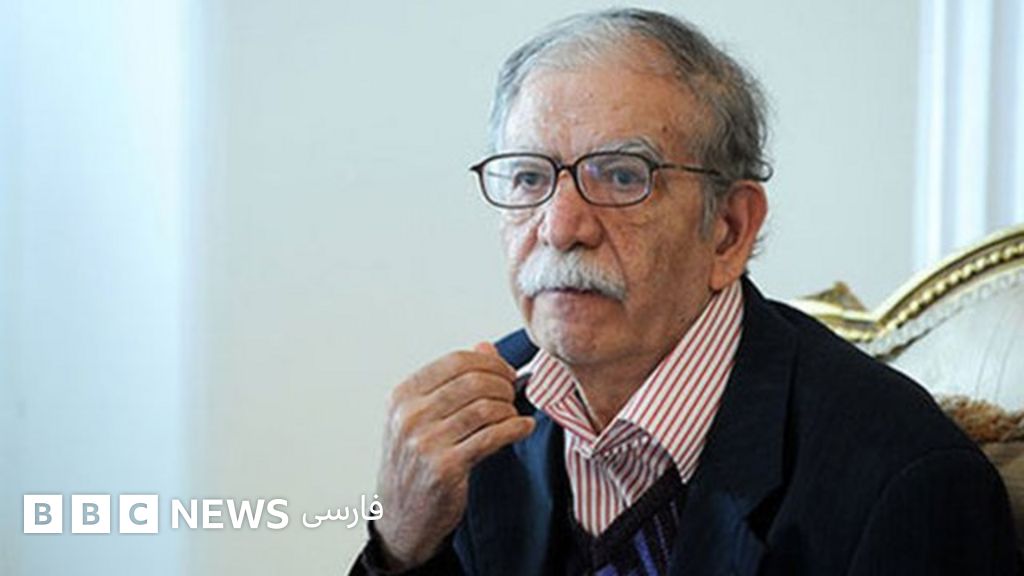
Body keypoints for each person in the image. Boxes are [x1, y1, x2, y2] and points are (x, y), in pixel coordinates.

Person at [351, 8, 1018, 575]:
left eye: (621, 176)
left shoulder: (905, 481)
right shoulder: (475, 436)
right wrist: (397, 549)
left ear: (729, 230)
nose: (560, 227)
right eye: (529, 178)